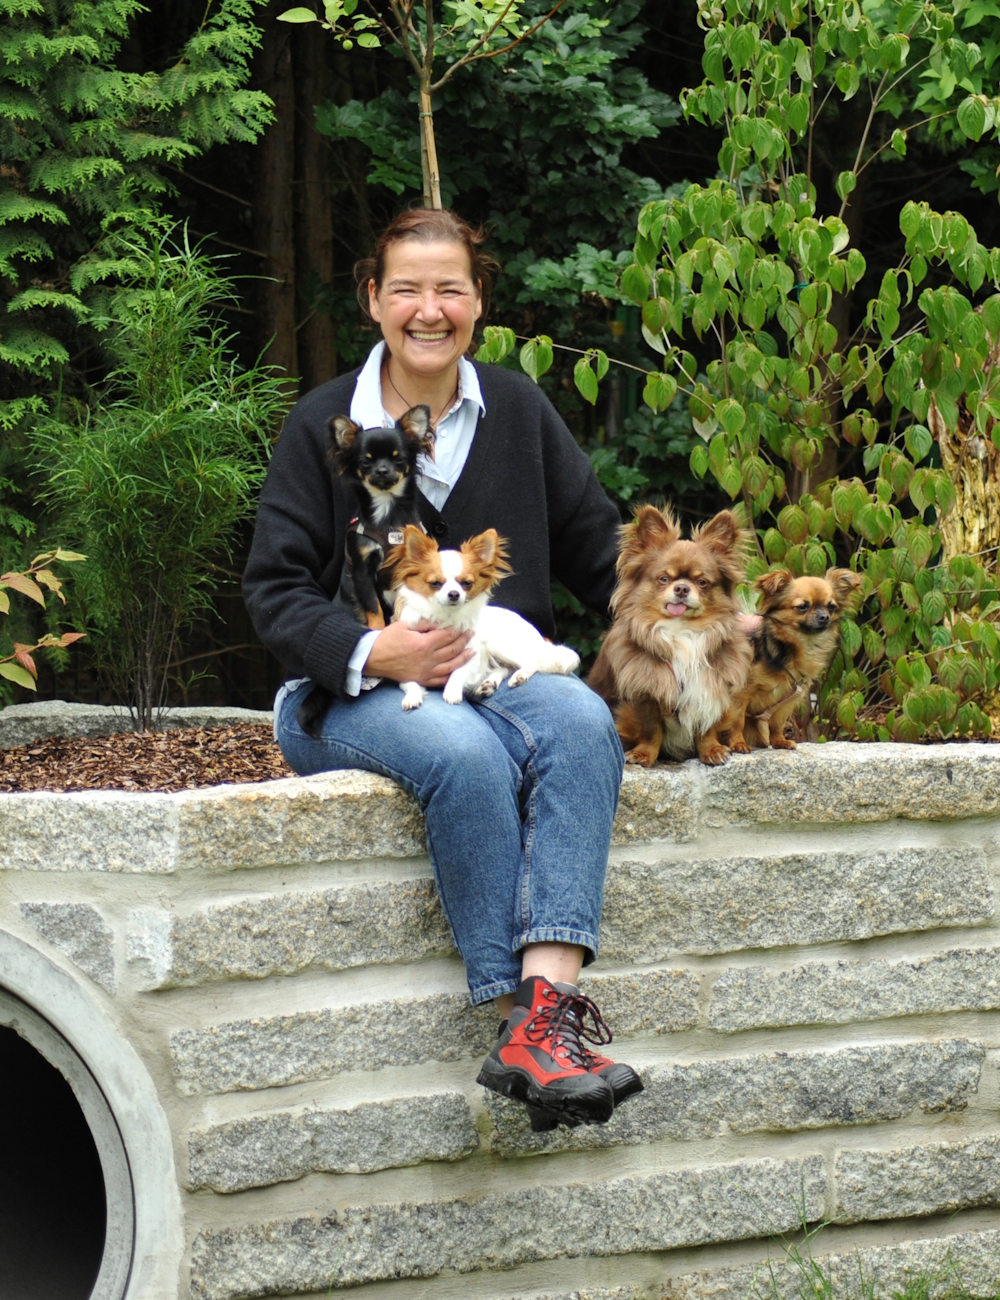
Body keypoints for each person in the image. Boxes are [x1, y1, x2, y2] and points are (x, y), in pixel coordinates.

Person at [243, 208, 641, 1127]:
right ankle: (522, 1025)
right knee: (464, 755)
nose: (430, 309)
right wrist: (371, 648)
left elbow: (603, 554)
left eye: (450, 289)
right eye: (408, 289)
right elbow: (273, 588)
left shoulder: (520, 411)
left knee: (584, 723)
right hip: (350, 693)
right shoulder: (325, 427)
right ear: (373, 300)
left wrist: (711, 627)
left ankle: (545, 1018)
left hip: (498, 673)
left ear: (479, 302)